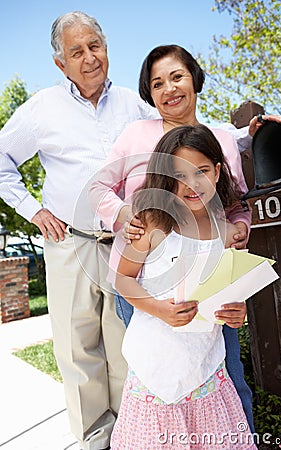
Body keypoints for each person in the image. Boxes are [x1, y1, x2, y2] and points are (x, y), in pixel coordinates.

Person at [0, 11, 161, 450]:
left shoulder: (133, 103)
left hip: (127, 244)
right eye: (77, 51)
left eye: (95, 46)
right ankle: (95, 440)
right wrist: (33, 210)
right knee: (77, 350)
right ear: (60, 64)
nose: (90, 58)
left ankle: (130, 434)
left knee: (126, 344)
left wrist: (246, 131)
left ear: (106, 48)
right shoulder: (41, 109)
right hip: (69, 243)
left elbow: (180, 130)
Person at [89, 44, 262, 433]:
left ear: (194, 78)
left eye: (177, 76)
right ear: (148, 93)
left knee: (226, 376)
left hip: (209, 282)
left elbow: (236, 205)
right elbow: (99, 187)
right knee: (158, 375)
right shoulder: (137, 135)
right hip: (148, 278)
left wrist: (240, 229)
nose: (169, 88)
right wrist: (124, 216)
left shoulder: (221, 138)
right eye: (157, 83)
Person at [109, 124, 257, 449]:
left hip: (206, 368)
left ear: (217, 172)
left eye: (201, 171)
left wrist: (237, 311)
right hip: (156, 365)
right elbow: (122, 279)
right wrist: (159, 309)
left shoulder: (226, 230)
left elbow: (230, 291)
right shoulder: (151, 222)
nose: (191, 184)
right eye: (179, 176)